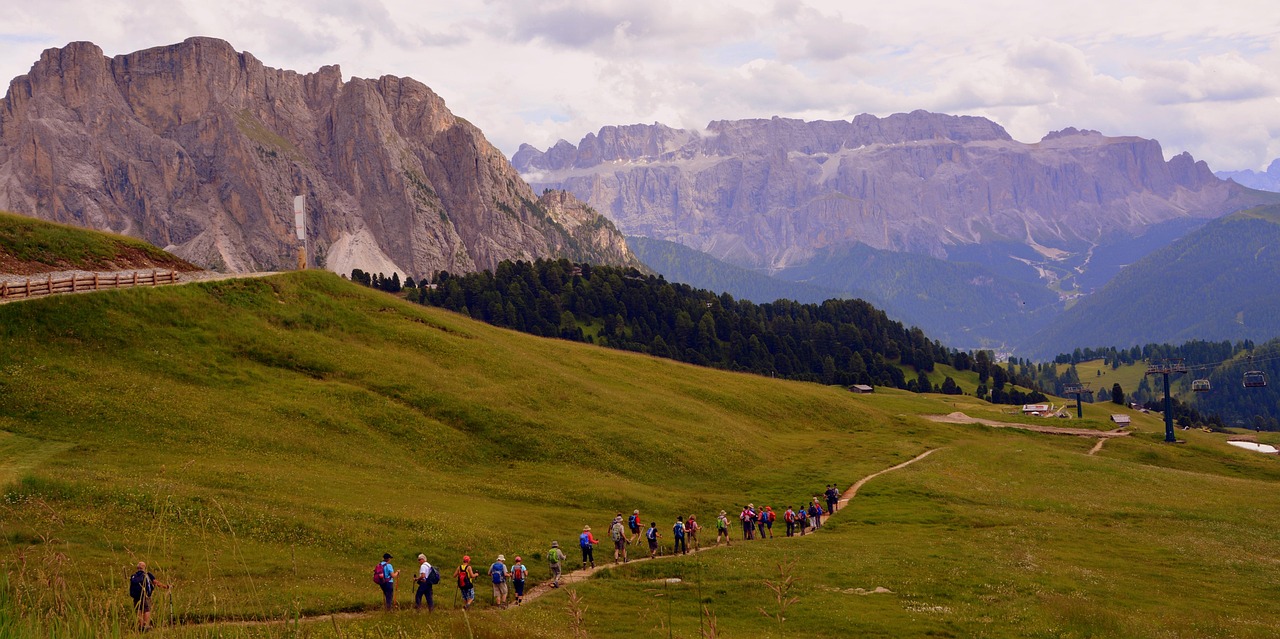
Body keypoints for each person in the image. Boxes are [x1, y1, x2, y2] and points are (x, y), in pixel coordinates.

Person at [128, 561, 170, 632]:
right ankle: (146, 626)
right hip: (145, 596)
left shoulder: (134, 576)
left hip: (136, 596)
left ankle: (140, 626)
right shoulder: (147, 574)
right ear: (144, 567)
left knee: (139, 610)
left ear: (137, 568)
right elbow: (156, 582)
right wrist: (166, 586)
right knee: (147, 610)